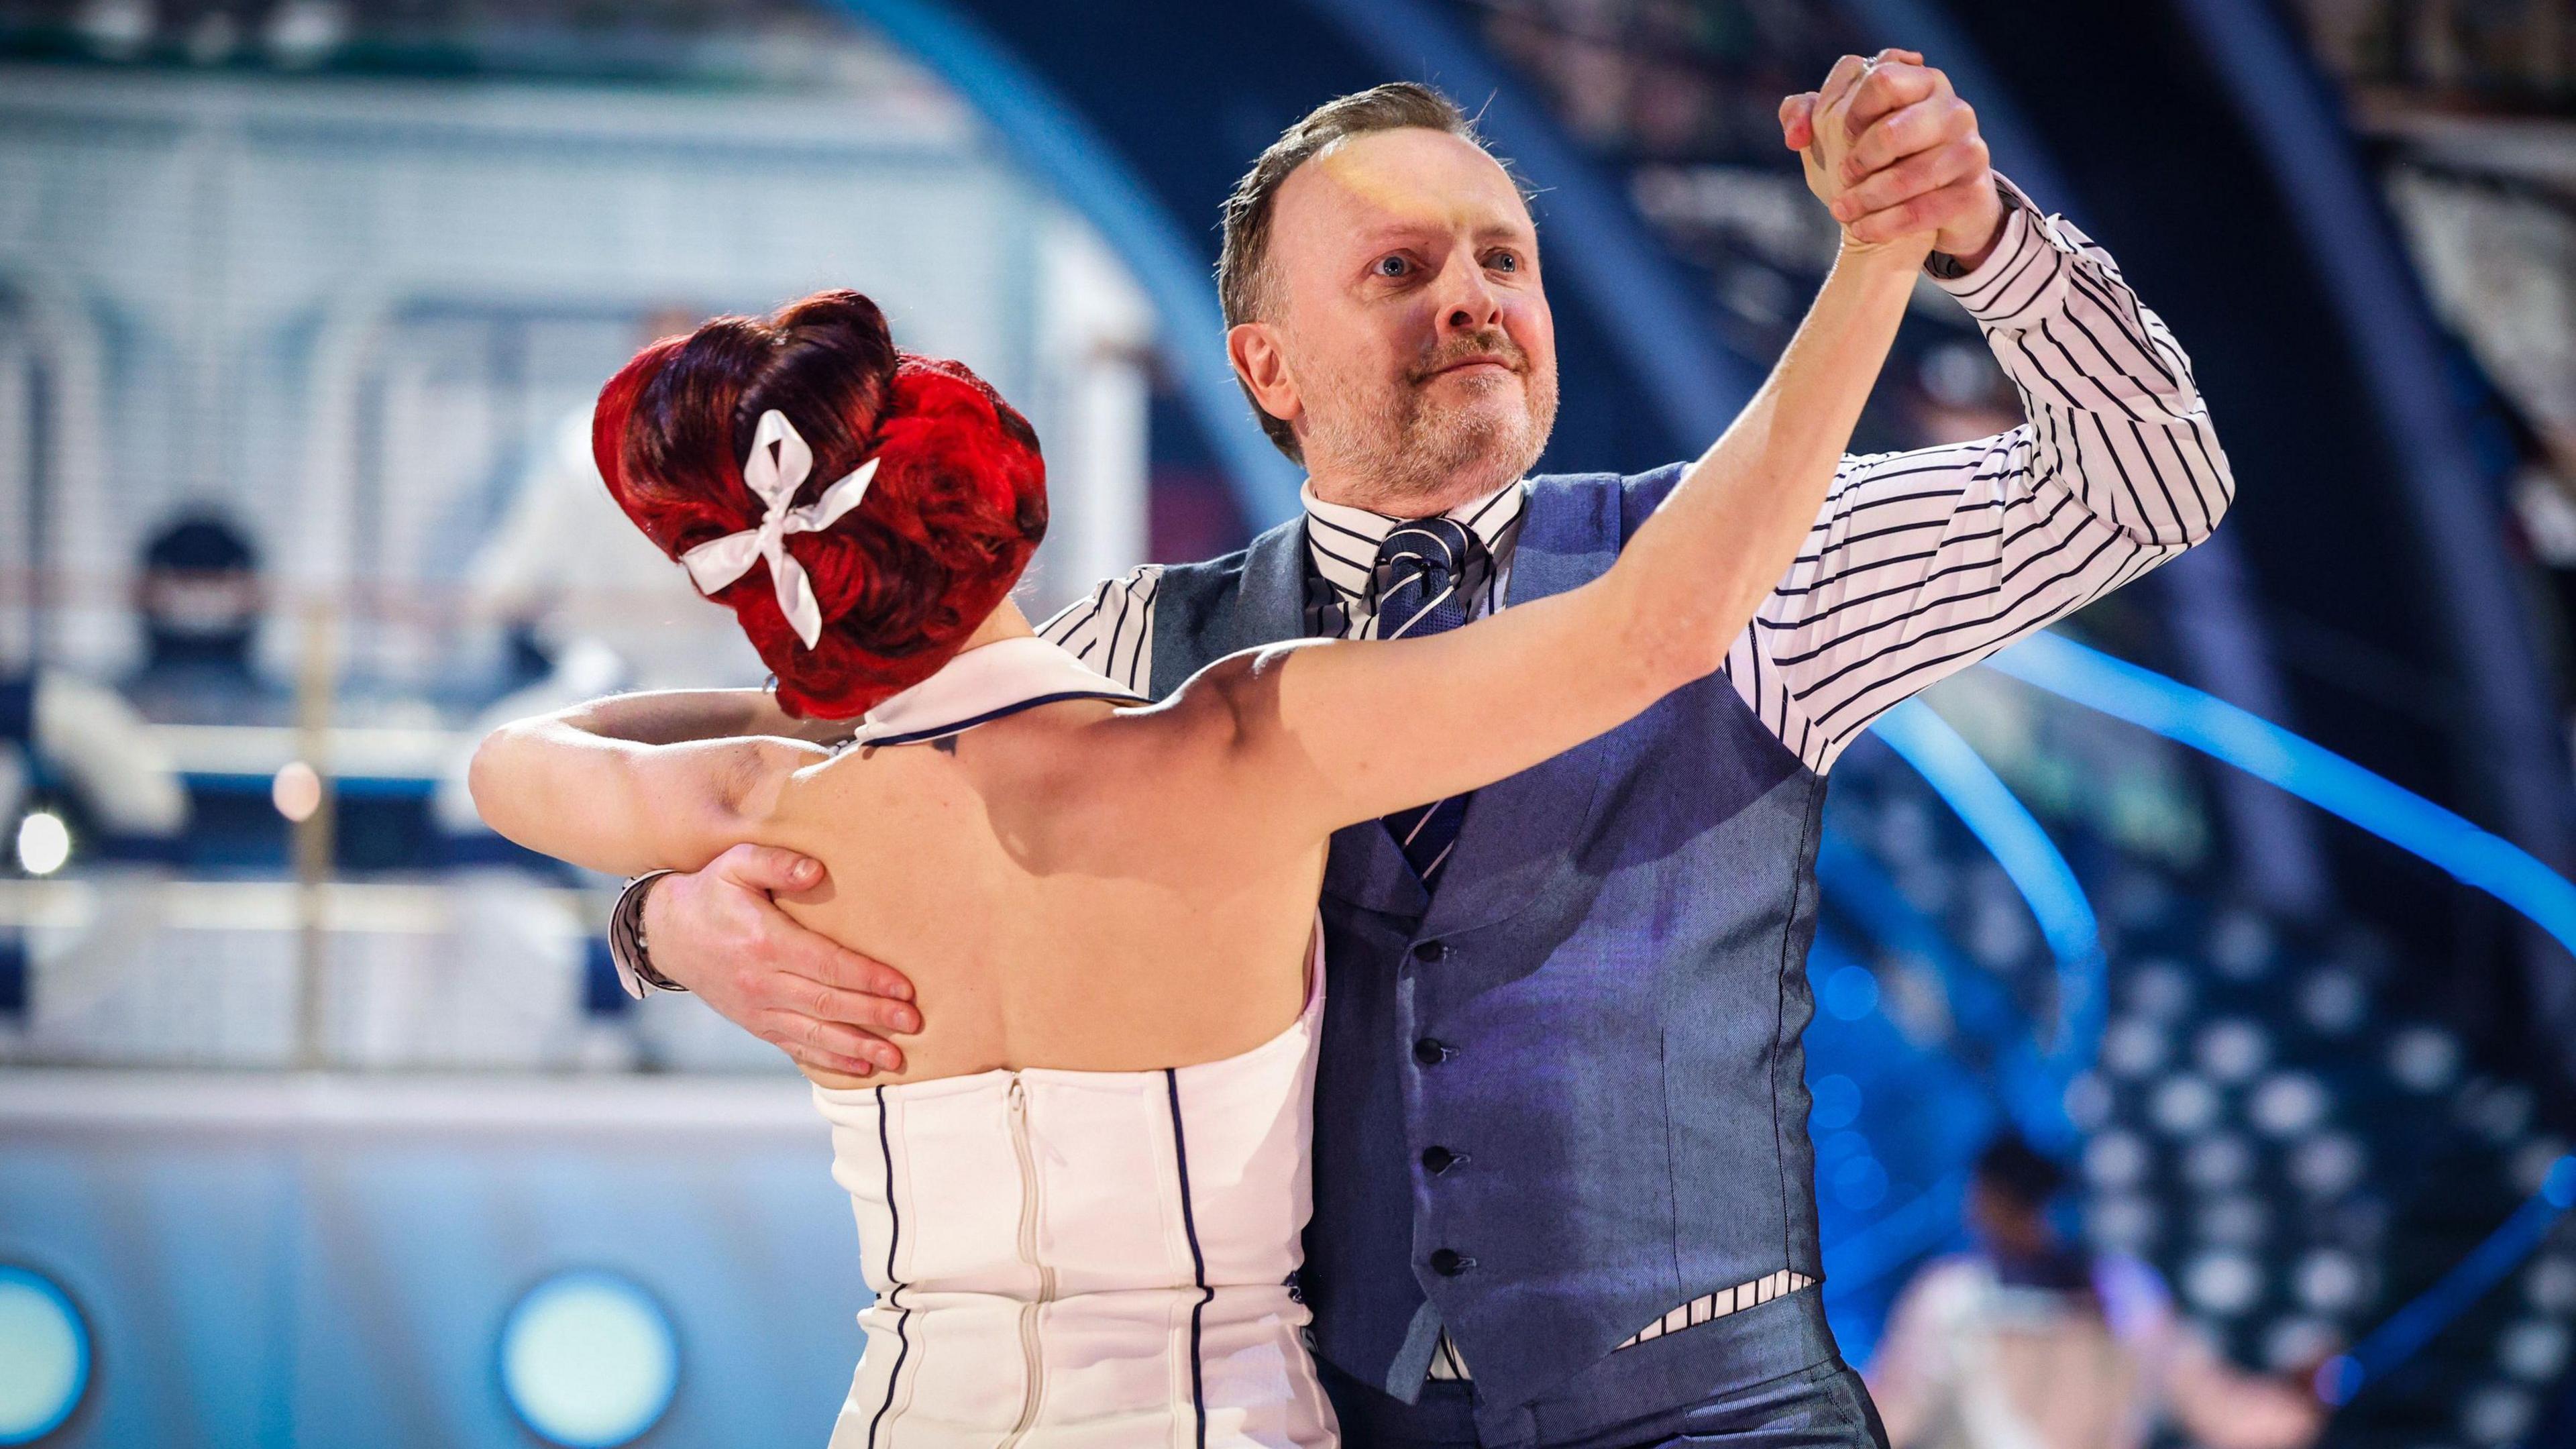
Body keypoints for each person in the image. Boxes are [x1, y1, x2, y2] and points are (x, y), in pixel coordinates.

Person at [570, 48, 2235, 1449]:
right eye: (1398, 269)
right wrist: (665, 921)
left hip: (1711, 1411)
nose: (1473, 301)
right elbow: (819, 761)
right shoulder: (1134, 645)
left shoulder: (1750, 561)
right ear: (1262, 365)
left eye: (1501, 258)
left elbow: (2150, 480)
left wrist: (1982, 244)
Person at [1866, 1136, 2325, 1449]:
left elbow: (2215, 1405)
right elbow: (1888, 1414)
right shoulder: (1953, 1298)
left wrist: (2300, 1402)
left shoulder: (2125, 1292)